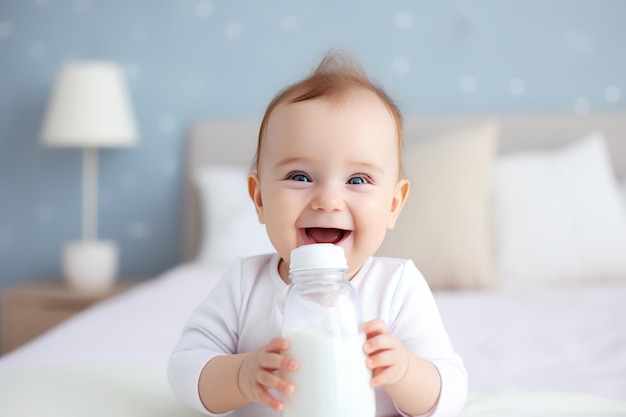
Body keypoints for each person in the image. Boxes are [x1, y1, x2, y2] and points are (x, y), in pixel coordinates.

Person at [168, 50, 467, 417]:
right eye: (300, 177)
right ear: (260, 198)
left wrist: (404, 370)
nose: (328, 200)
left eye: (357, 180)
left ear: (393, 204)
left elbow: (451, 388)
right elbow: (184, 367)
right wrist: (241, 375)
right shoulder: (245, 283)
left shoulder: (398, 285)